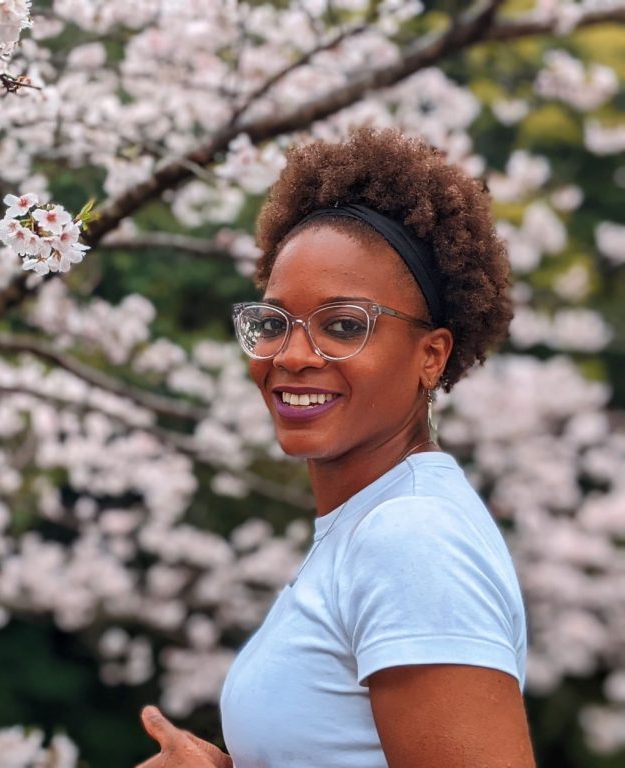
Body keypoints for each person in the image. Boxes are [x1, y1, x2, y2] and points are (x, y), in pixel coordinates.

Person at [137, 127, 536, 767]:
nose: (292, 356)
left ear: (431, 356)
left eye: (344, 326)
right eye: (273, 324)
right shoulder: (368, 526)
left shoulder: (412, 538)